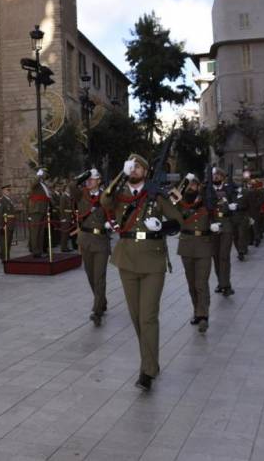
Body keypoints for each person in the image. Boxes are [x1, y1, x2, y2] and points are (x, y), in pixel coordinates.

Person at [100, 154, 180, 392]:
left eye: (138, 167)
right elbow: (104, 201)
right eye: (131, 167)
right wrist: (120, 175)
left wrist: (161, 227)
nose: (134, 170)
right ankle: (149, 359)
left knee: (148, 317)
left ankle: (148, 369)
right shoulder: (119, 194)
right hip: (127, 260)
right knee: (136, 317)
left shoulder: (156, 194)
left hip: (153, 261)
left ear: (146, 171)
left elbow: (179, 220)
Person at [70, 169, 111, 327]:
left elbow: (114, 210)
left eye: (92, 179)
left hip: (101, 241)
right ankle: (102, 301)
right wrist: (84, 175)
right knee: (90, 276)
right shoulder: (81, 194)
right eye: (88, 179)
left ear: (99, 181)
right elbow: (72, 186)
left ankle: (97, 311)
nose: (89, 182)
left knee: (99, 276)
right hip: (85, 240)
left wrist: (111, 223)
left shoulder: (106, 196)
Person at [176, 174, 215, 333]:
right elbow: (171, 206)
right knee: (192, 283)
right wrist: (182, 184)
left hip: (204, 245)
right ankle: (197, 311)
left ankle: (203, 315)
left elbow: (217, 214)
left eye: (194, 185)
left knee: (201, 283)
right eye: (189, 185)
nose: (191, 187)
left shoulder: (207, 201)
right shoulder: (179, 202)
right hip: (186, 246)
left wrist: (215, 225)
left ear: (199, 187)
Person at [211, 168, 236, 296]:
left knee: (224, 256)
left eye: (218, 175)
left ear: (222, 177)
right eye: (214, 175)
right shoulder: (207, 190)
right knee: (216, 256)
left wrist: (233, 206)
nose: (216, 177)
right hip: (213, 225)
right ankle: (220, 282)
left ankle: (226, 285)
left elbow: (236, 201)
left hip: (226, 225)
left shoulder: (229, 189)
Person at [28, 168, 52, 258]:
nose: (45, 175)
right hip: (36, 209)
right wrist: (38, 175)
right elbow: (32, 184)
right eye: (44, 173)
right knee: (35, 231)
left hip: (43, 209)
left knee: (41, 232)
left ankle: (40, 250)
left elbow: (47, 196)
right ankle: (35, 251)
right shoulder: (36, 182)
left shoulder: (43, 184)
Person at [0, 184, 17, 262]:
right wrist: (2, 225)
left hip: (10, 224)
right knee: (4, 242)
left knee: (8, 241)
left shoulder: (9, 200)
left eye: (9, 190)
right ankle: (4, 257)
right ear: (3, 191)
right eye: (7, 190)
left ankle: (7, 256)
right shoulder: (1, 200)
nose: (9, 191)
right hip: (6, 224)